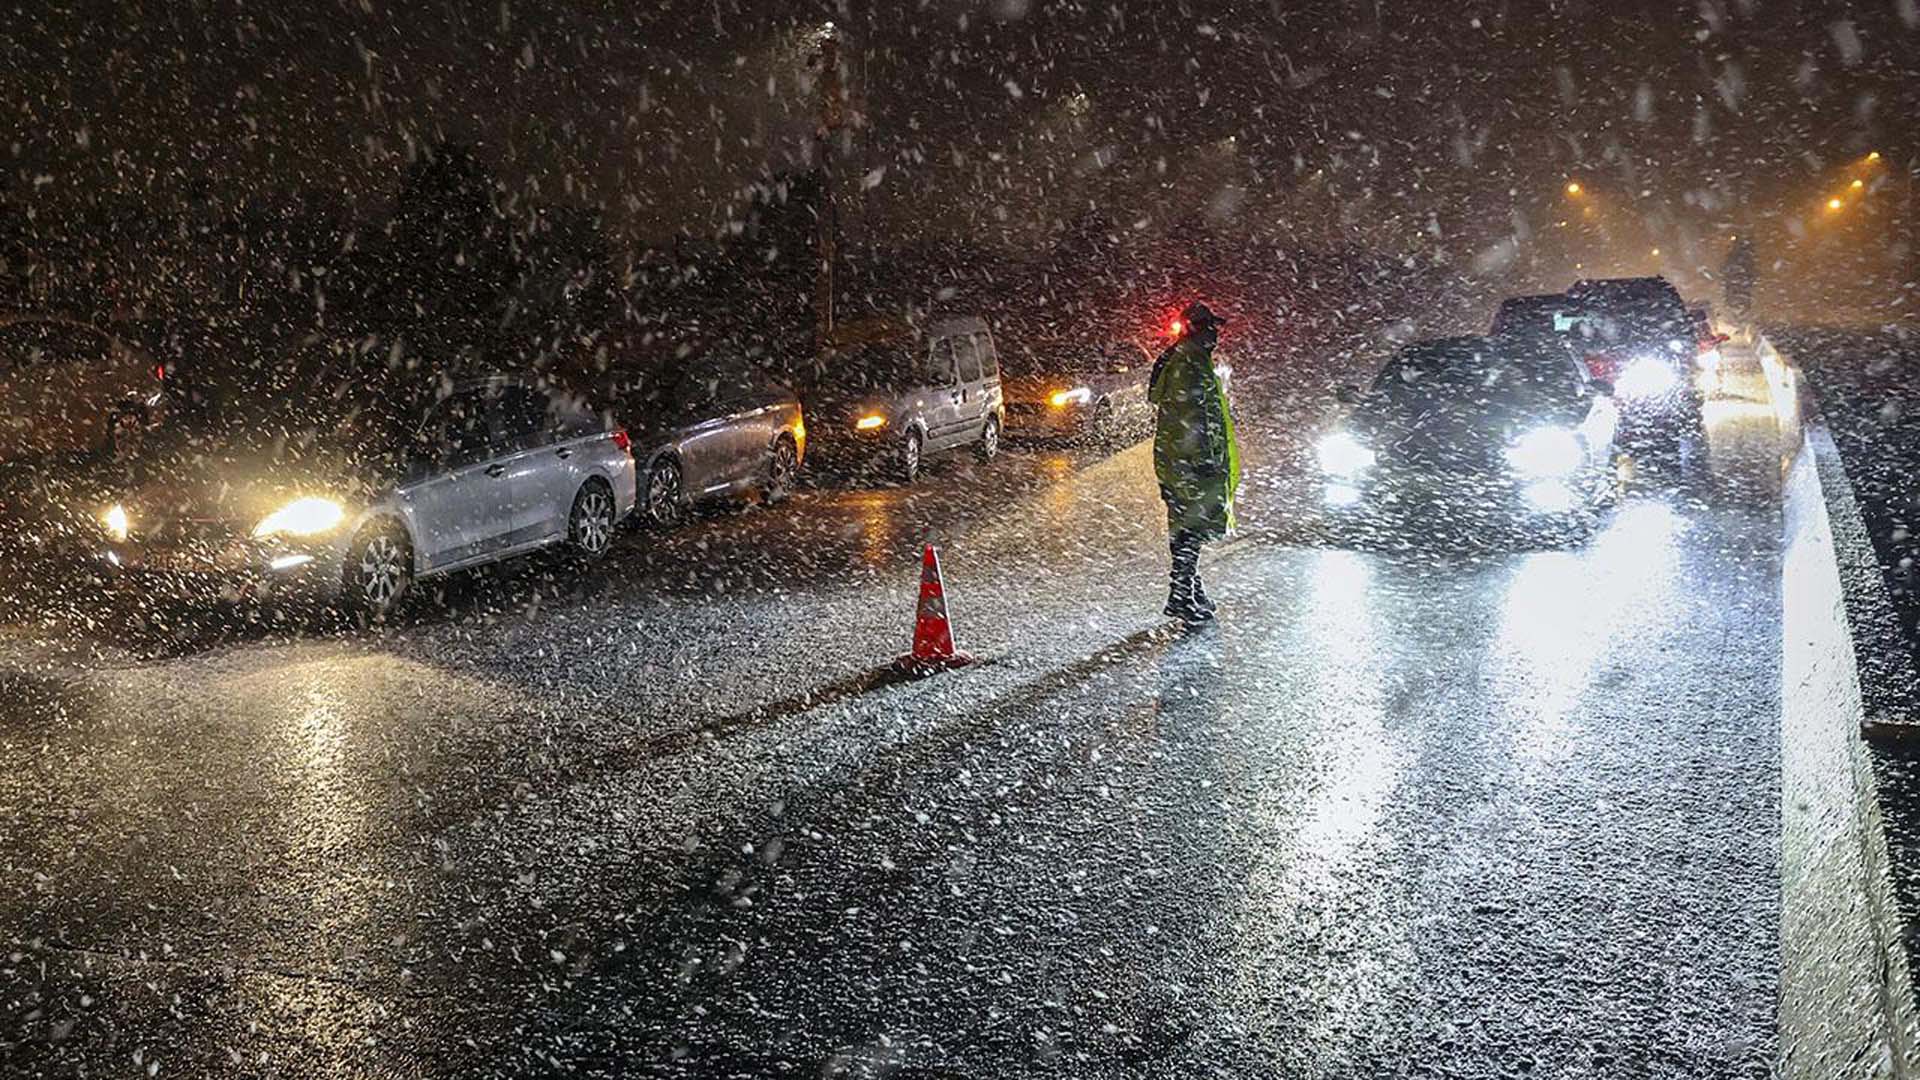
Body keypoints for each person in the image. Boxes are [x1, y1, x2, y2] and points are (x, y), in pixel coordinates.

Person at [1148, 301, 1240, 624]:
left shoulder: (1192, 359)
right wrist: (1203, 459)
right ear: (1195, 330)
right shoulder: (1188, 363)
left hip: (1182, 460)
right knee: (1190, 528)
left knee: (1190, 526)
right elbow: (1192, 417)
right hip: (1189, 463)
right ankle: (1181, 595)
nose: (1215, 334)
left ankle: (1189, 589)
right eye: (1209, 328)